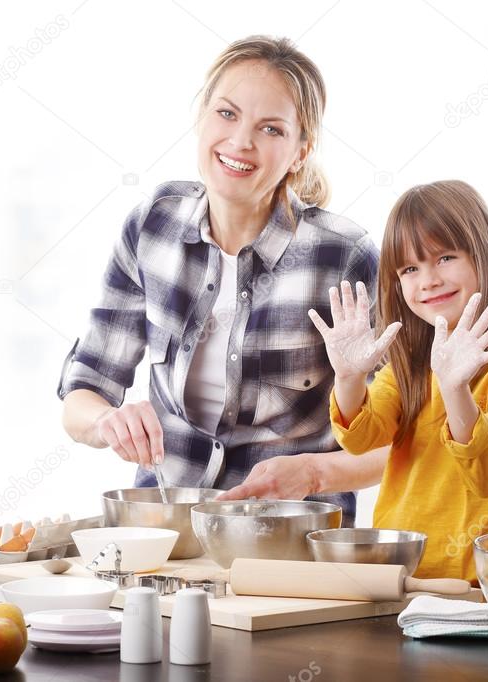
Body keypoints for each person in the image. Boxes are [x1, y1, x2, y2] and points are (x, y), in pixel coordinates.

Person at [58, 36, 394, 524]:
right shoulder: (153, 225)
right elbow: (84, 392)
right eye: (227, 114)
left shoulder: (343, 257)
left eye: (271, 129)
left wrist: (314, 474)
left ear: (301, 151)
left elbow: (405, 439)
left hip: (288, 542)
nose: (240, 142)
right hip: (164, 533)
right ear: (201, 116)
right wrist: (108, 421)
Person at [308, 180, 488, 581]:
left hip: (481, 590)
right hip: (401, 579)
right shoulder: (409, 369)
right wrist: (349, 378)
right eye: (410, 268)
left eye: (445, 258)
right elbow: (361, 438)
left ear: (485, 257)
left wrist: (456, 389)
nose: (429, 280)